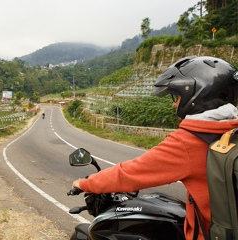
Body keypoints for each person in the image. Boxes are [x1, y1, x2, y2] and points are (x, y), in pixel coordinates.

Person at [72, 56, 238, 240]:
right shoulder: (230, 131)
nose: (174, 103)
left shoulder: (189, 141)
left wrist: (85, 183)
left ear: (197, 95)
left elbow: (131, 173)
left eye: (176, 96)